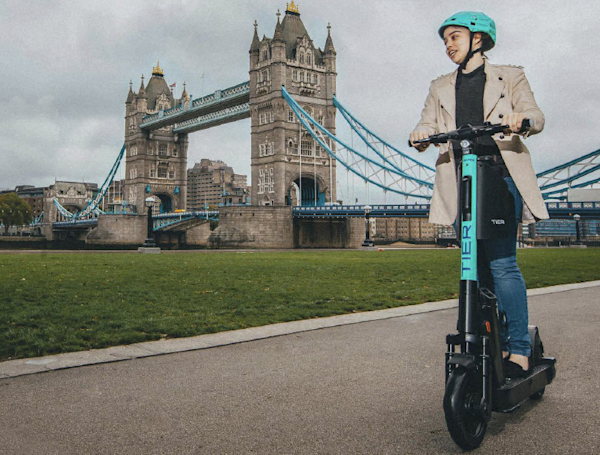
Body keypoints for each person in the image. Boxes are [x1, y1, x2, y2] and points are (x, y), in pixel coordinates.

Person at [409, 11, 549, 378]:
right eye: (445, 40)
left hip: (499, 176)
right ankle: (489, 340)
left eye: (454, 37)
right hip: (460, 181)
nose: (448, 45)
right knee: (474, 267)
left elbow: (535, 114)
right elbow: (427, 122)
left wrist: (522, 119)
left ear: (478, 38)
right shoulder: (439, 86)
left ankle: (519, 348)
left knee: (502, 264)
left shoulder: (510, 76)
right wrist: (420, 134)